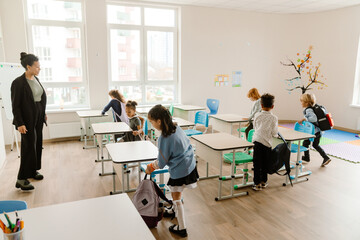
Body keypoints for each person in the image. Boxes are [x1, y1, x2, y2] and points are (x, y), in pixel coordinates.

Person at [145, 105, 198, 238]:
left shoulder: (164, 138)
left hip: (180, 170)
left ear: (159, 121)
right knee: (177, 194)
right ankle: (173, 210)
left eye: (151, 122)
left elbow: (161, 163)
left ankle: (182, 228)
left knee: (176, 198)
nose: (151, 125)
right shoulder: (176, 127)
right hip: (189, 164)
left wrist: (150, 166)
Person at [11, 52, 47, 190]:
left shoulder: (36, 79)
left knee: (37, 144)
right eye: (37, 67)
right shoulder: (18, 83)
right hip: (26, 119)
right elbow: (16, 105)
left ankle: (32, 171)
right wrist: (19, 123)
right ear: (28, 66)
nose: (39, 69)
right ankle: (21, 178)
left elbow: (39, 98)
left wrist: (43, 113)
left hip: (38, 115)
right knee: (28, 147)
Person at [252, 93, 278, 191]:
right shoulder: (274, 118)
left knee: (257, 163)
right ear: (272, 106)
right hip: (267, 144)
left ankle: (256, 183)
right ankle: (264, 181)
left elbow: (255, 127)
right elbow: (274, 132)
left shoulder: (257, 115)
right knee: (265, 163)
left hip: (257, 142)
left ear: (261, 105)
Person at [297, 93, 331, 167]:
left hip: (313, 132)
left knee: (307, 144)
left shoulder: (309, 110)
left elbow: (313, 118)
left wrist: (304, 119)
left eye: (302, 101)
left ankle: (310, 157)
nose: (301, 103)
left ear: (307, 102)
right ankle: (324, 157)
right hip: (318, 131)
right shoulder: (315, 107)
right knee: (313, 144)